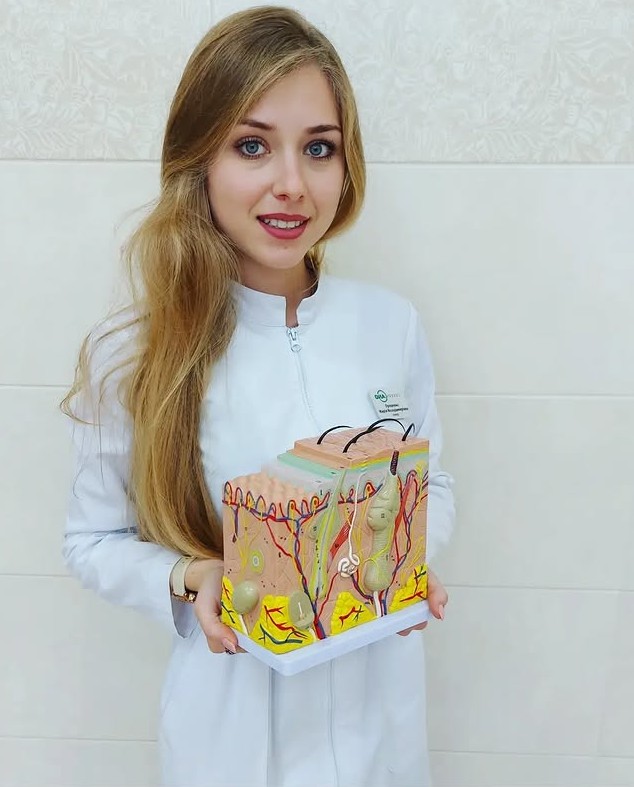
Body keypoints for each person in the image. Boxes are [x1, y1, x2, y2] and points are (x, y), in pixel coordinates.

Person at [62, 6, 454, 786]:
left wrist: (398, 556)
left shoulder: (391, 324)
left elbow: (432, 484)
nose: (291, 185)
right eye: (252, 145)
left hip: (380, 730)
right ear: (199, 158)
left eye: (319, 148)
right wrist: (191, 575)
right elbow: (92, 542)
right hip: (230, 736)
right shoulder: (134, 352)